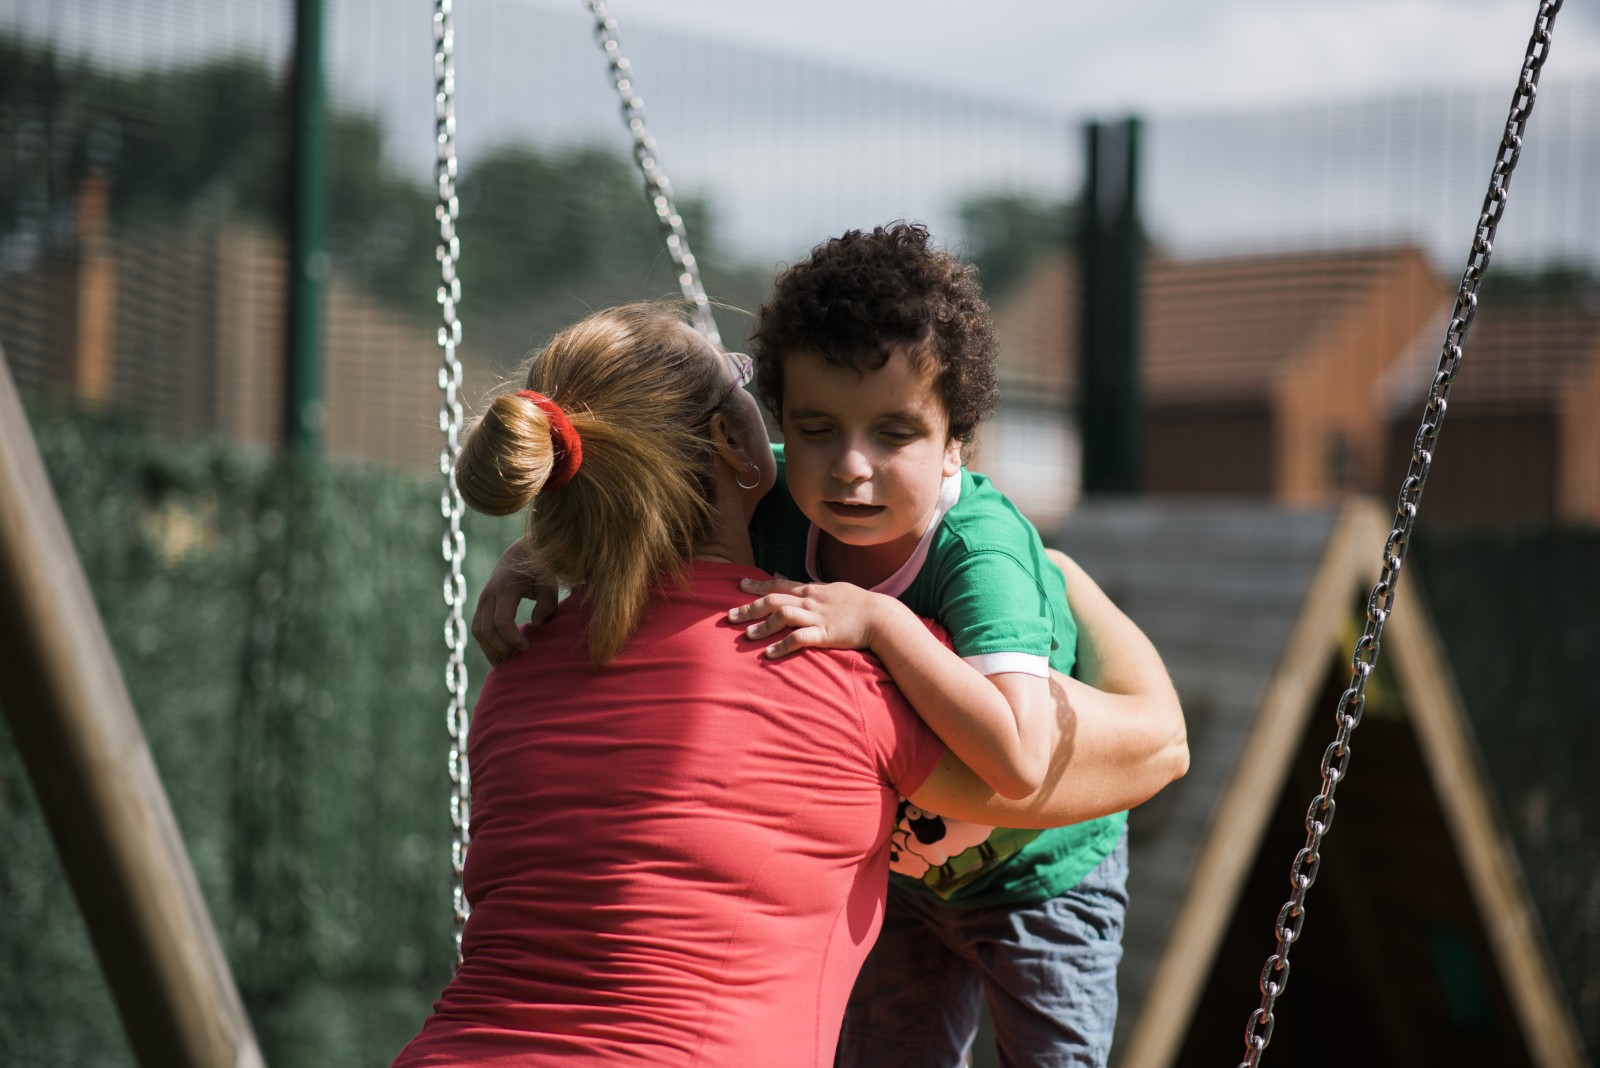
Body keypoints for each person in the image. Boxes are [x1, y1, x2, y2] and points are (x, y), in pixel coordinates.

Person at [395, 302, 1185, 1067]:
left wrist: (552, 549)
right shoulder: (818, 653)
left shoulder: (516, 672)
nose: (845, 465)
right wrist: (1068, 578)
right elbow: (1155, 747)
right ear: (736, 442)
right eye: (788, 417)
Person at [730, 222, 1132, 1067]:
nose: (849, 465)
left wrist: (879, 622)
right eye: (815, 427)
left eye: (894, 432)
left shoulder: (977, 550)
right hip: (904, 877)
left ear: (957, 439)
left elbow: (1019, 760)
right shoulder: (766, 502)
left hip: (1041, 874)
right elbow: (633, 510)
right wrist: (532, 561)